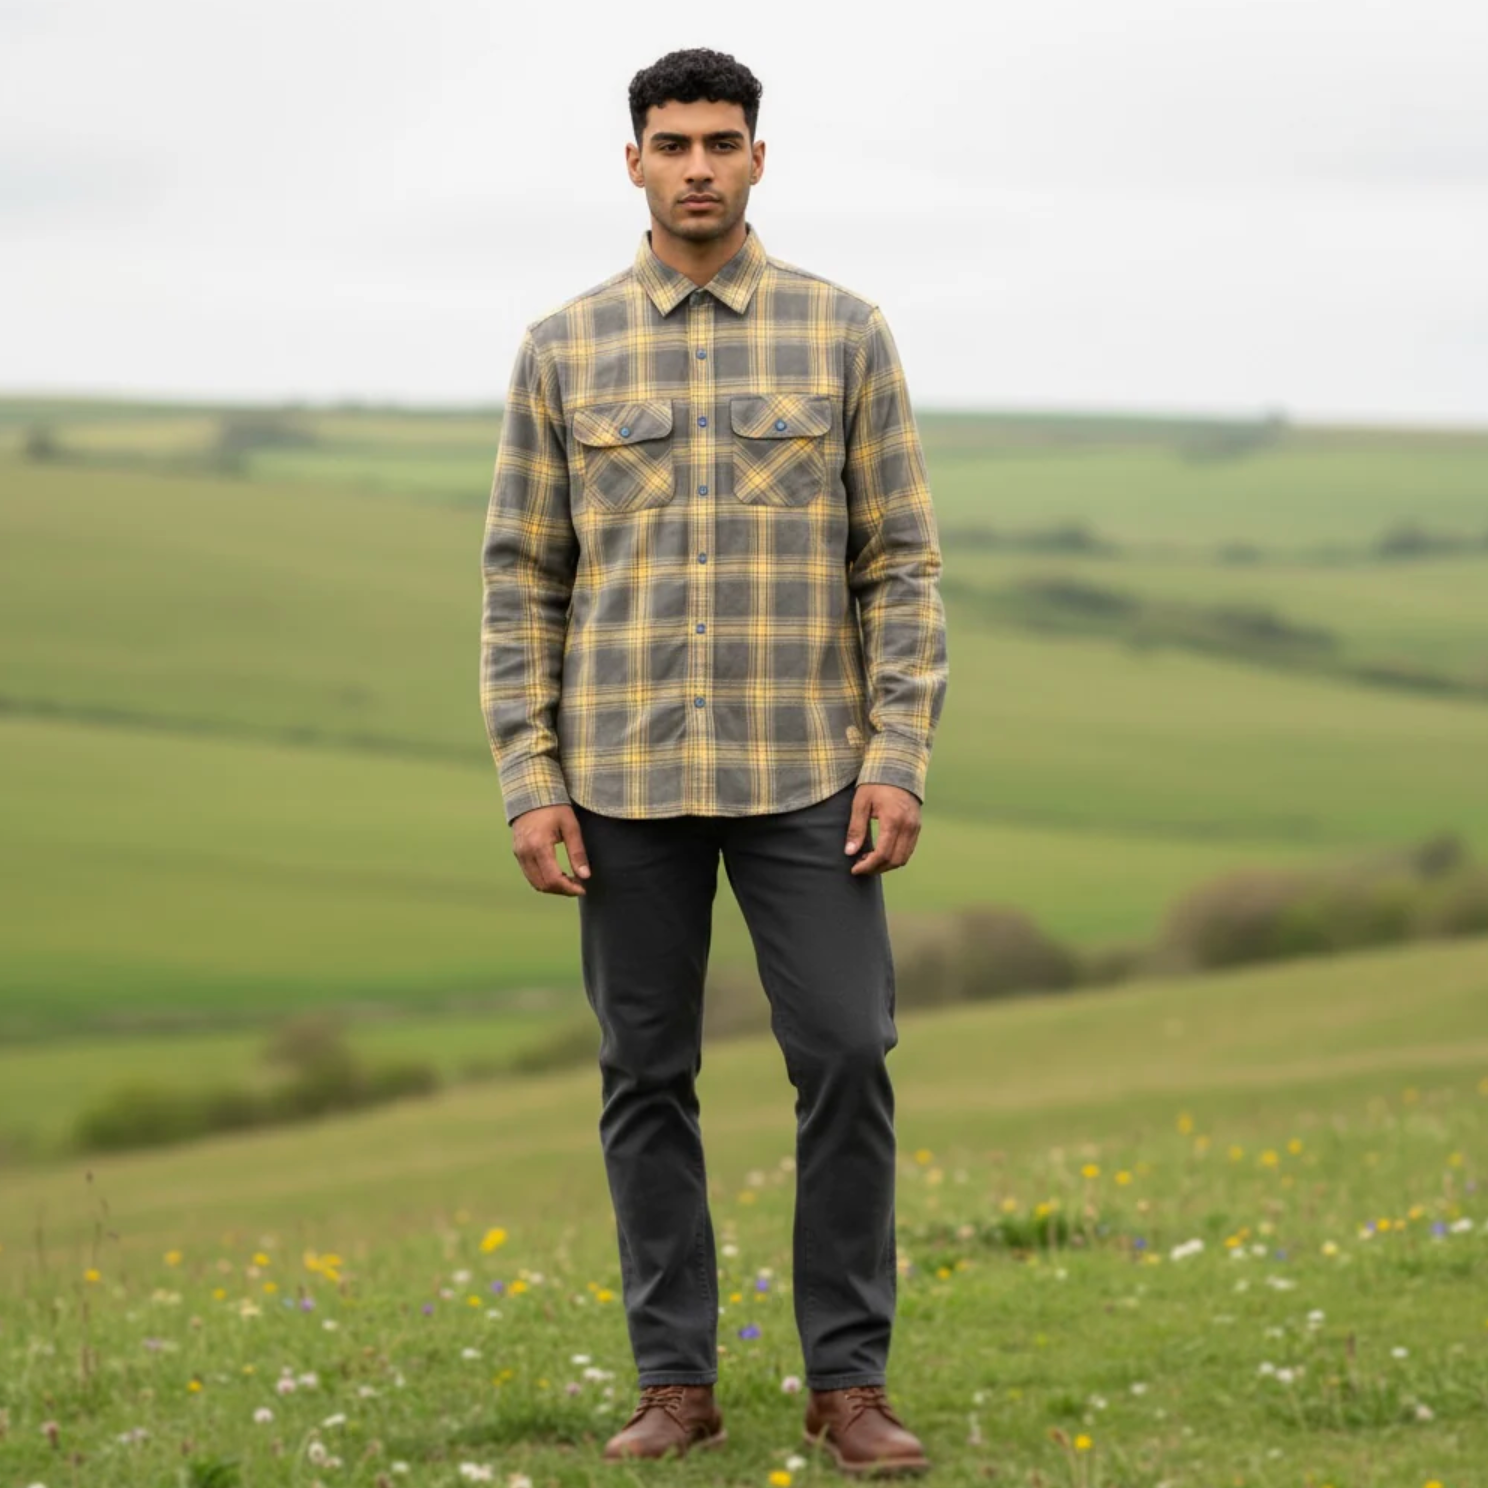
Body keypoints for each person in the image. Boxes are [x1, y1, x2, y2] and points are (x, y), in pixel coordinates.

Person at [479, 46, 949, 1474]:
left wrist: (899, 752)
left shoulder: (843, 333)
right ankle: (674, 1385)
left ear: (758, 160)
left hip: (811, 769)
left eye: (722, 141)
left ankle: (847, 1384)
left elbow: (904, 565)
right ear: (632, 161)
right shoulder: (563, 348)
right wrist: (530, 776)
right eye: (671, 142)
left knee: (851, 1057)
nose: (697, 164)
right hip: (619, 780)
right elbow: (521, 579)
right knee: (644, 1077)